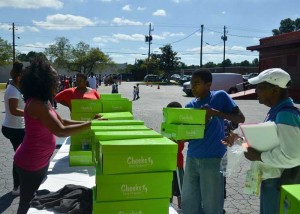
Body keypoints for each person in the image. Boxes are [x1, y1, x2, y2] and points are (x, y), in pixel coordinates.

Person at [14, 58, 94, 214]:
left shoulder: (44, 101)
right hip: (30, 162)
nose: (58, 81)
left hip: (40, 159)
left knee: (33, 199)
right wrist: (91, 125)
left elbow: (62, 121)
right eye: (55, 78)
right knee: (27, 203)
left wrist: (89, 121)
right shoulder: (36, 104)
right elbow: (61, 131)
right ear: (44, 81)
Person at [222, 68, 300, 214]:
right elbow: (262, 145)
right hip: (272, 180)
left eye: (260, 87)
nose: (256, 90)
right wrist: (239, 141)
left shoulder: (286, 115)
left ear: (275, 90)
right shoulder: (276, 112)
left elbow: (293, 156)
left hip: (279, 182)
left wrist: (259, 157)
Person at [181, 69, 245, 214]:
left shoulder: (220, 97)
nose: (193, 87)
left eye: (197, 83)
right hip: (192, 158)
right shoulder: (190, 106)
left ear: (208, 84)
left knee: (212, 204)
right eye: (192, 83)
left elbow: (240, 118)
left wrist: (216, 113)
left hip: (213, 159)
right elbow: (188, 136)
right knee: (189, 203)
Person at [1, 61, 25, 196]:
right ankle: (17, 187)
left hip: (17, 127)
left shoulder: (17, 87)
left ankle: (20, 184)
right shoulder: (12, 90)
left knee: (20, 156)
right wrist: (29, 112)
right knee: (19, 157)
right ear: (19, 75)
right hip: (14, 128)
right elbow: (14, 110)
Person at [166, 101, 185, 211]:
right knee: (168, 190)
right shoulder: (167, 125)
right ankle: (169, 210)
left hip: (177, 163)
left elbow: (179, 146)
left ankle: (181, 209)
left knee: (180, 190)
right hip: (168, 163)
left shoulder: (180, 126)